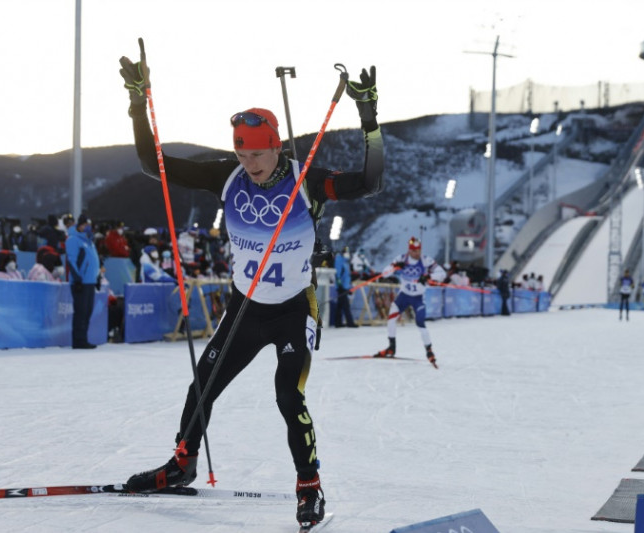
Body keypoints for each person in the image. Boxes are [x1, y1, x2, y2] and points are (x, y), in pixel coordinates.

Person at [118, 50, 383, 529]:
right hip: (246, 308)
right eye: (242, 154)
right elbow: (152, 164)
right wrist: (139, 103)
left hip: (292, 310)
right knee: (203, 384)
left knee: (288, 395)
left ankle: (309, 485)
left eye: (257, 154)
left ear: (276, 147)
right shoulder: (228, 176)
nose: (250, 163)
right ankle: (182, 463)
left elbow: (369, 183)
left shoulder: (306, 181)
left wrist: (368, 119)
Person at [375, 236, 445, 365]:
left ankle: (429, 351)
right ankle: (391, 347)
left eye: (418, 250)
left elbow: (442, 274)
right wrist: (395, 267)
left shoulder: (426, 260)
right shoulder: (401, 259)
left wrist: (429, 276)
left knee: (420, 322)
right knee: (391, 318)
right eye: (414, 250)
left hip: (418, 298)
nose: (417, 253)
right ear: (409, 250)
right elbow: (384, 273)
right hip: (404, 296)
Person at [65, 213, 99, 349]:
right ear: (79, 225)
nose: (87, 227)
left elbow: (93, 261)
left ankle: (84, 338)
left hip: (90, 281)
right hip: (81, 282)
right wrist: (77, 279)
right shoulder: (73, 240)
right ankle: (79, 340)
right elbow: (71, 260)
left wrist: (97, 277)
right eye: (85, 225)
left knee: (88, 311)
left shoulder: (89, 241)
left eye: (89, 225)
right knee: (81, 312)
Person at [333, 246, 357, 328]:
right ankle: (350, 322)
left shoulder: (346, 262)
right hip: (341, 286)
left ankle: (338, 322)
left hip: (345, 286)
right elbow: (338, 273)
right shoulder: (339, 260)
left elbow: (347, 275)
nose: (347, 254)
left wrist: (348, 286)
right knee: (346, 305)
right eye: (346, 252)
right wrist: (339, 283)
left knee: (340, 305)